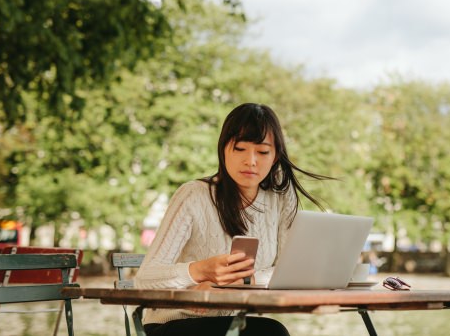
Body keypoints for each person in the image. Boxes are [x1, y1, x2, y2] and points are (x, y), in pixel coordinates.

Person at [135, 103, 331, 336]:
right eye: (240, 148)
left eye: (262, 152)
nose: (251, 161)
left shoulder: (280, 198)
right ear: (224, 149)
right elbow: (144, 279)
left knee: (270, 331)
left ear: (276, 155)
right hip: (173, 323)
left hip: (233, 324)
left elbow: (288, 271)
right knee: (270, 333)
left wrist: (236, 283)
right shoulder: (194, 195)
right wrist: (199, 271)